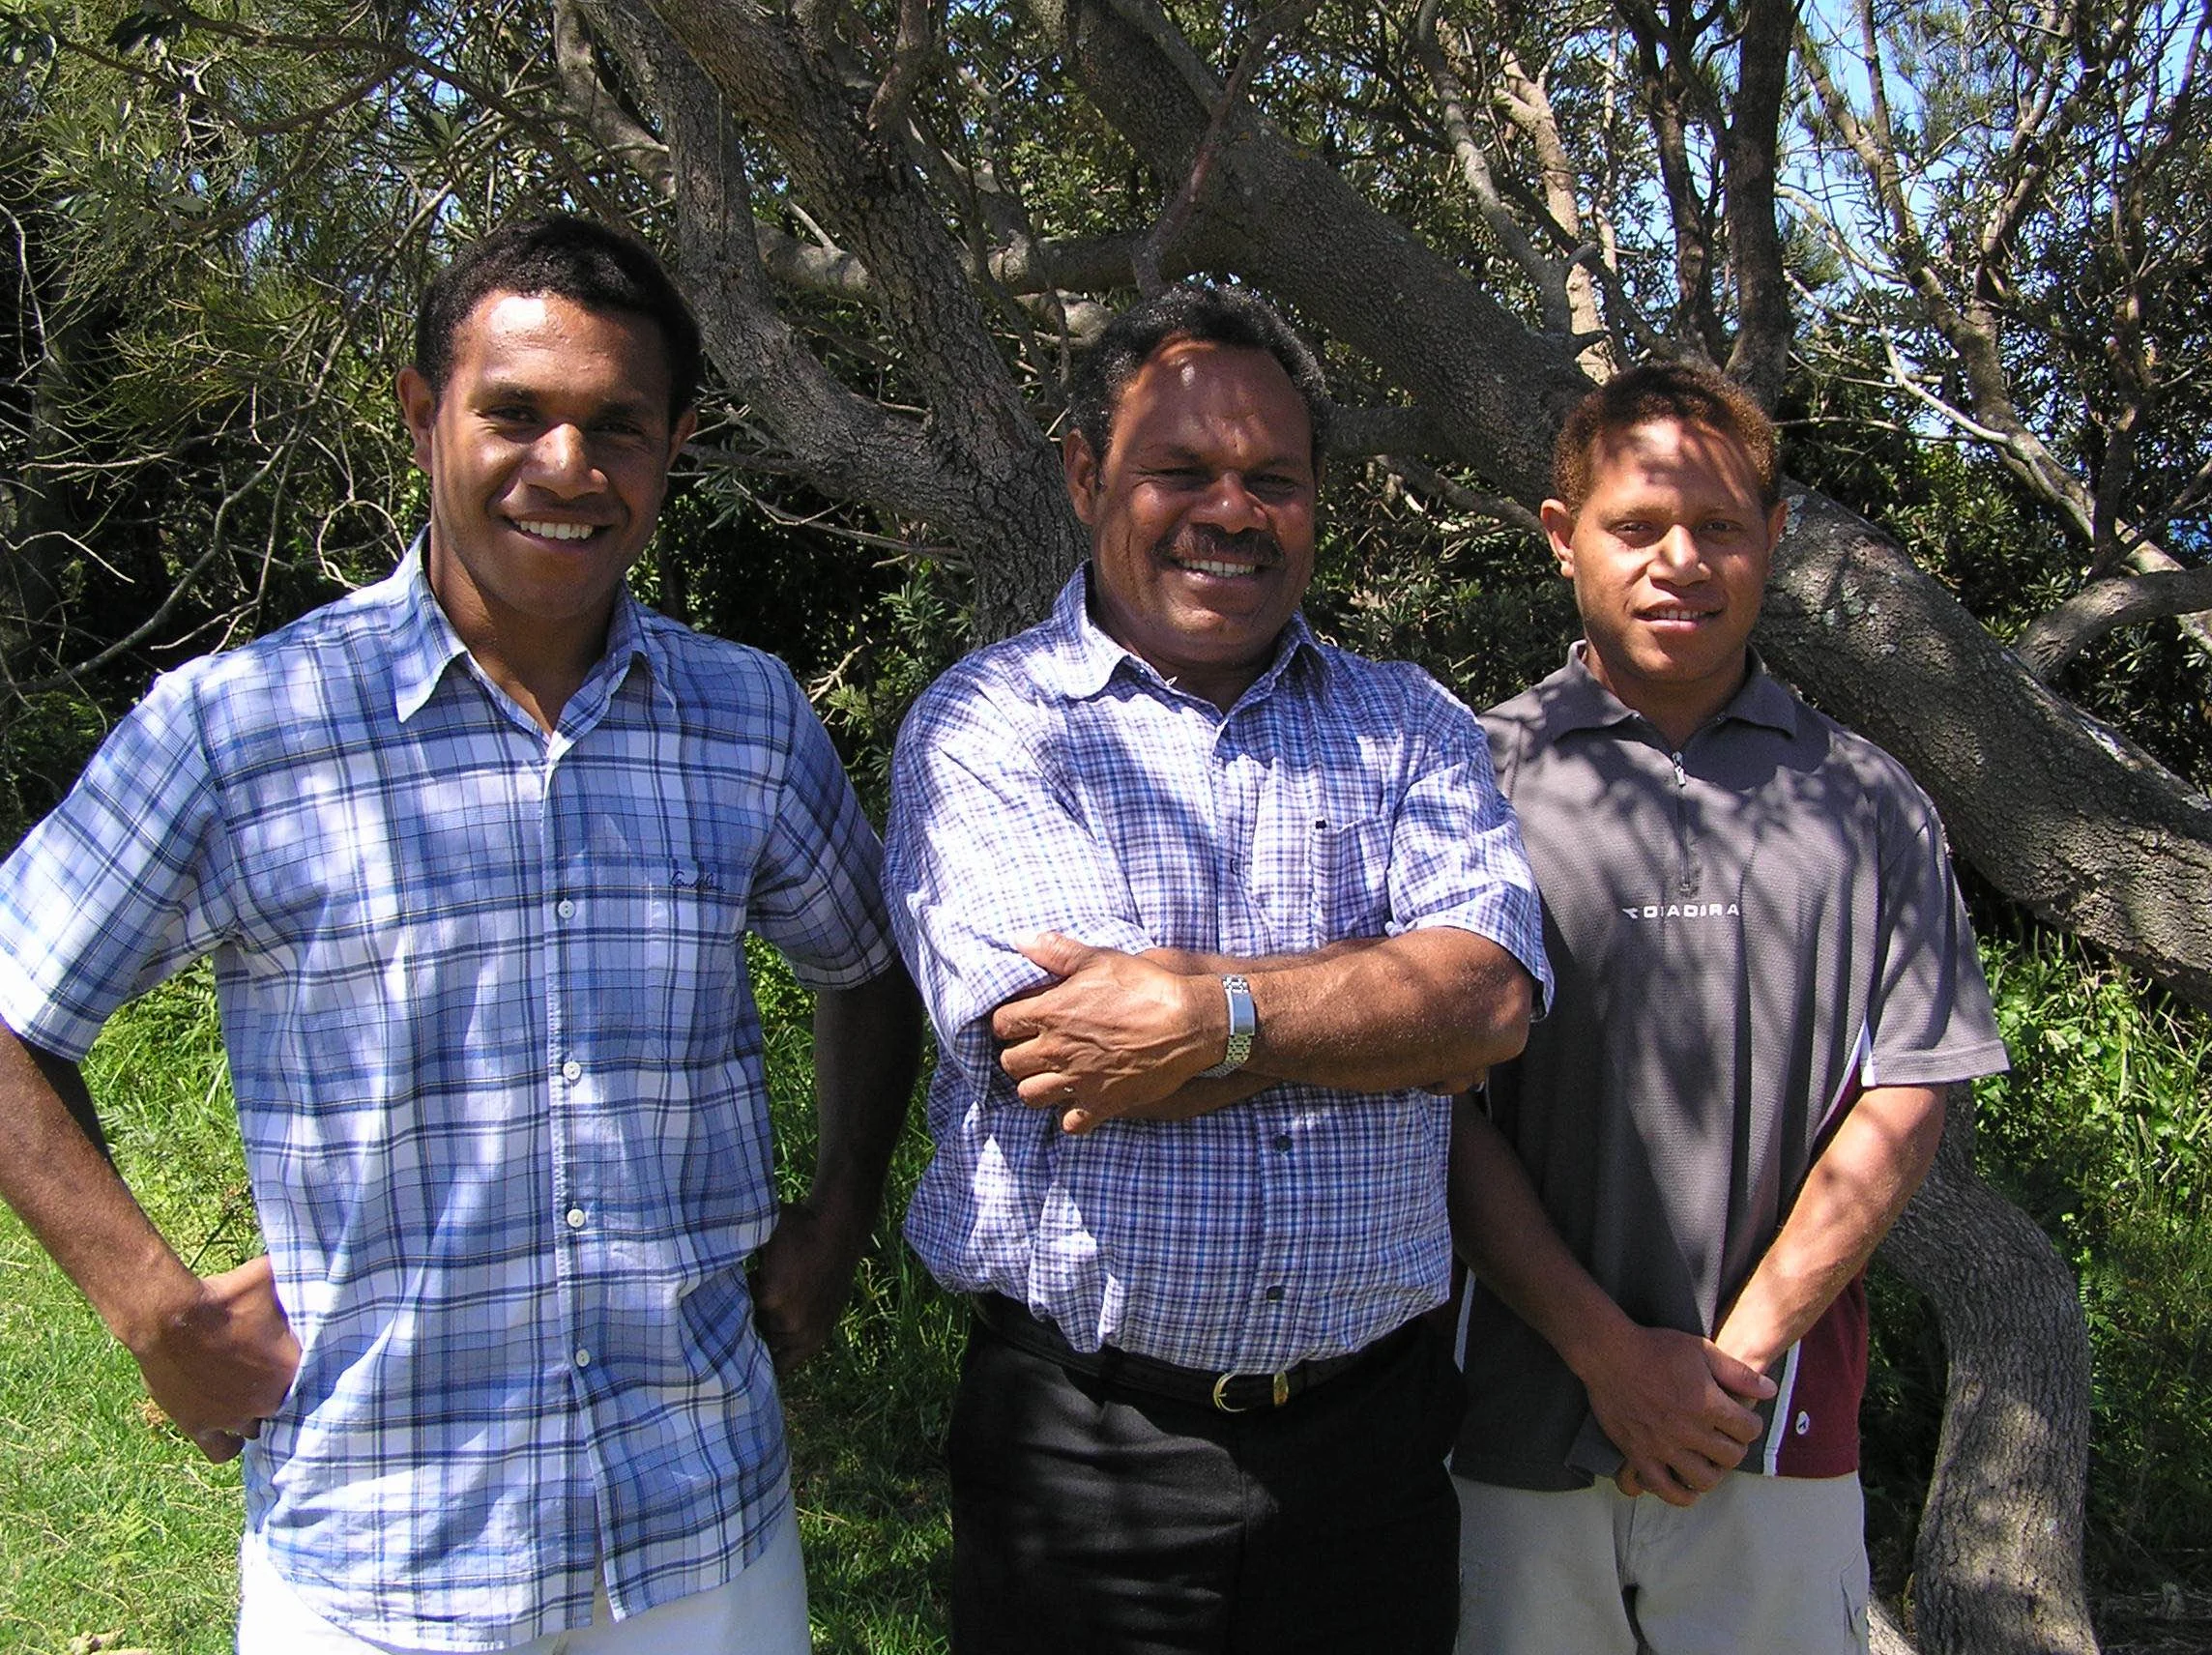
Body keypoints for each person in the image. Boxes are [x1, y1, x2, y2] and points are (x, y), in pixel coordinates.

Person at [0, 216, 920, 1652]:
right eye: (515, 413)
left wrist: (840, 1211)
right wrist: (157, 1318)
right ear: (423, 411)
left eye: (617, 423)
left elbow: (865, 964)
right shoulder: (242, 732)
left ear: (676, 440)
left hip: (702, 1534)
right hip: (381, 1555)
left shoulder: (747, 720)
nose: (568, 468)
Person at [883, 282, 1551, 1654]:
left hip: (1375, 1450)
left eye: (1274, 478)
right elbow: (1060, 1055)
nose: (1231, 511)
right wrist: (1377, 1015)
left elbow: (1488, 1001)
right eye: (1180, 471)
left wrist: (1205, 1012)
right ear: (1085, 474)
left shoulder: (1409, 721)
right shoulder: (990, 730)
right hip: (1089, 1458)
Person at [1449, 361, 2010, 1654]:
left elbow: (1908, 1101)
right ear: (1562, 538)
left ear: (1774, 540)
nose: (1680, 561)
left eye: (1719, 527)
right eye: (1637, 527)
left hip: (1778, 1427)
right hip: (1509, 1423)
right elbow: (1432, 1112)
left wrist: (1726, 1376)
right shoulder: (1467, 783)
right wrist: (1609, 1357)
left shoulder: (1871, 802)